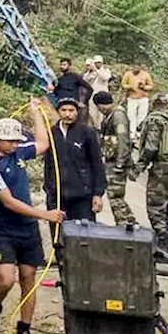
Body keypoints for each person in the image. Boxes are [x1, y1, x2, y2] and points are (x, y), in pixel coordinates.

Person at [0, 105, 64, 334]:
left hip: (28, 229)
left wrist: (37, 113)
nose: (15, 145)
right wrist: (43, 215)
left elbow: (42, 143)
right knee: (6, 279)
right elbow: (7, 201)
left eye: (17, 141)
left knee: (29, 277)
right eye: (10, 142)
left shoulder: (19, 153)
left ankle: (24, 326)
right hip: (5, 228)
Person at [43, 98, 106, 252]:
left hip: (82, 197)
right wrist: (49, 189)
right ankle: (65, 274)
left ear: (77, 112)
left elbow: (97, 164)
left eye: (71, 111)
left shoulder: (87, 133)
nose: (67, 114)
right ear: (58, 112)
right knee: (60, 240)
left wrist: (97, 193)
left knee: (85, 240)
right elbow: (48, 164)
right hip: (58, 198)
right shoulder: (52, 133)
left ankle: (85, 274)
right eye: (64, 110)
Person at [137, 96, 168, 255]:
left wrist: (140, 165)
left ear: (153, 105)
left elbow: (151, 146)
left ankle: (162, 244)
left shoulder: (156, 121)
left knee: (156, 205)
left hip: (160, 167)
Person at [94, 91, 137, 227]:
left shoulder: (117, 115)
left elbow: (123, 139)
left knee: (115, 196)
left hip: (117, 162)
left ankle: (127, 222)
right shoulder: (110, 116)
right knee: (114, 195)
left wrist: (120, 163)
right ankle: (124, 222)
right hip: (111, 160)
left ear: (101, 105)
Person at [49, 58, 93, 122]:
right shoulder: (59, 79)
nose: (62, 67)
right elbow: (55, 92)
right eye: (61, 65)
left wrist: (84, 102)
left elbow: (89, 89)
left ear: (69, 66)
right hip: (61, 105)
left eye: (64, 65)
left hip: (72, 104)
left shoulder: (75, 77)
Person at [121, 64, 154, 135]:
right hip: (132, 98)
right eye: (134, 67)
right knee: (131, 116)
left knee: (142, 116)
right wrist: (130, 87)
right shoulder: (128, 74)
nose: (135, 69)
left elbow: (151, 86)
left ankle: (139, 133)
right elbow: (123, 84)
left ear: (140, 68)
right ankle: (131, 133)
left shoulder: (146, 75)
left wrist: (144, 87)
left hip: (143, 98)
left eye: (137, 67)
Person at [83, 57, 113, 129]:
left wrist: (96, 70)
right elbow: (84, 80)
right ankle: (95, 127)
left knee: (101, 114)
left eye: (99, 62)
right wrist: (89, 71)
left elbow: (105, 77)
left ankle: (101, 128)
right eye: (96, 63)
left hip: (103, 96)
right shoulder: (91, 72)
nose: (97, 64)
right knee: (92, 113)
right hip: (93, 95)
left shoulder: (106, 70)